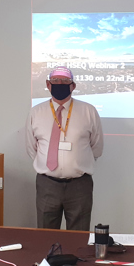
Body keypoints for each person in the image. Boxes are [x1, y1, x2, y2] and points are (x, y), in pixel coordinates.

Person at [25, 67, 104, 230]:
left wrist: (76, 161)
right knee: (45, 234)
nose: (60, 84)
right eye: (55, 81)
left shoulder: (88, 111)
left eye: (65, 81)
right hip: (47, 184)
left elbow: (96, 145)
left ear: (73, 86)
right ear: (48, 84)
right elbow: (31, 147)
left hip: (79, 185)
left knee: (78, 236)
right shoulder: (36, 112)